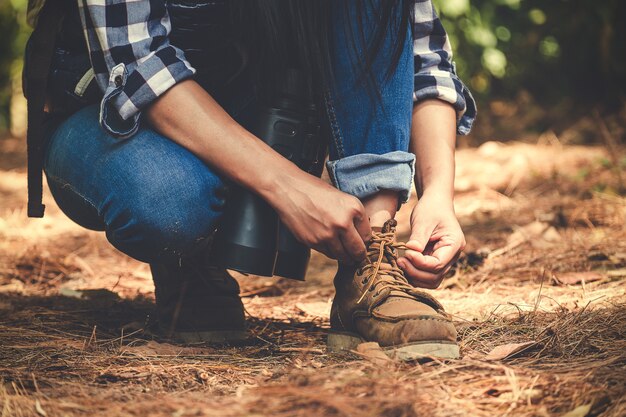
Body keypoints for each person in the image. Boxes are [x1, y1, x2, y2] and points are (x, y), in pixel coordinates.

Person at [39, 0, 475, 360]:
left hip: (257, 108)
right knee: (167, 201)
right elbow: (140, 69)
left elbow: (423, 57)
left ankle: (370, 266)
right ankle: (189, 262)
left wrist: (437, 194)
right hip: (106, 120)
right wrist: (288, 186)